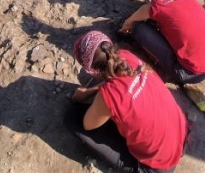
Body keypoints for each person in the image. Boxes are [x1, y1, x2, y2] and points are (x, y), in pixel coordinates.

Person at [68, 30, 188, 173]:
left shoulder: (109, 96)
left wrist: (88, 97)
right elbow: (119, 78)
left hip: (160, 165)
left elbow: (88, 125)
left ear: (92, 70)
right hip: (180, 133)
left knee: (73, 118)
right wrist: (90, 92)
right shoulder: (126, 56)